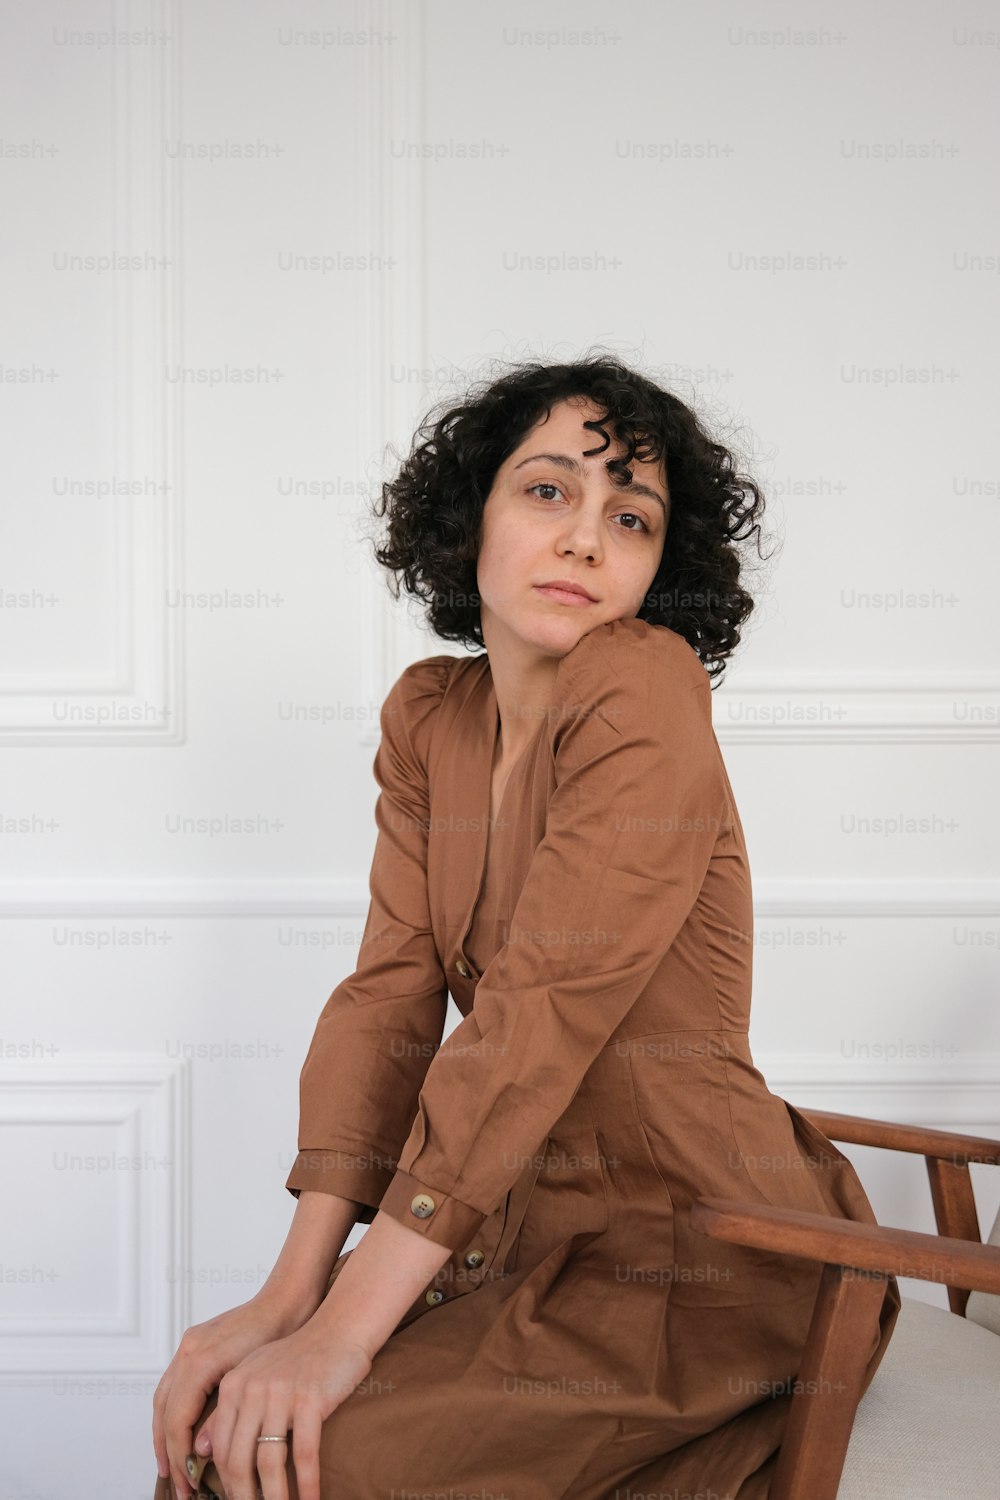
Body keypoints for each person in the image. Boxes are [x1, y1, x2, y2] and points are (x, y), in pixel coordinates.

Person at [152, 353, 900, 1500]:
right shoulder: (429, 716)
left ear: (662, 567)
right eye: (547, 491)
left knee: (315, 1463)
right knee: (226, 1429)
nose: (588, 540)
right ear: (471, 519)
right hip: (516, 1221)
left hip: (701, 1244)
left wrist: (348, 1333)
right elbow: (388, 998)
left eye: (632, 516)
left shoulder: (645, 686)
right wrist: (290, 1294)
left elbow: (537, 1013)